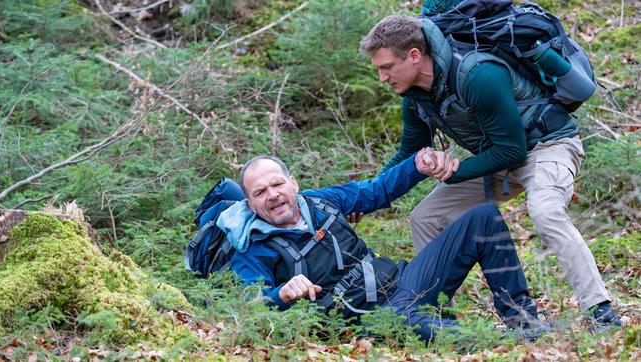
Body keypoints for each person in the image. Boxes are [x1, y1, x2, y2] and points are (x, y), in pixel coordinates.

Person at [359, 11, 620, 330]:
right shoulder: (416, 97)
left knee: (546, 211)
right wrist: (366, 199)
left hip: (547, 145)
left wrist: (455, 171)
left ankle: (601, 312)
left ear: (414, 56)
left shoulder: (477, 75)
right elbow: (407, 153)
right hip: (497, 156)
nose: (382, 78)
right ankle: (436, 316)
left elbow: (514, 149)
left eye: (386, 67)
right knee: (425, 217)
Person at [217, 153, 544, 343]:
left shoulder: (320, 202)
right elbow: (251, 306)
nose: (272, 195)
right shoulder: (252, 248)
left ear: (293, 184)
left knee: (482, 216)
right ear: (250, 203)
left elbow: (376, 190)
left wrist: (418, 163)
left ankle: (524, 321)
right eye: (260, 192)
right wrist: (283, 294)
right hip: (369, 319)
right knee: (417, 326)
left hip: (405, 281)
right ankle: (503, 341)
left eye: (277, 184)